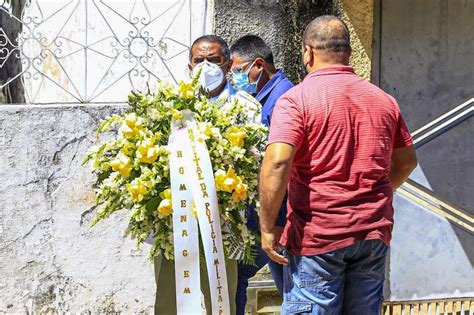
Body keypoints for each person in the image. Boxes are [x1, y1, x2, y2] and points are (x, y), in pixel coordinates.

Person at [259, 15, 417, 315]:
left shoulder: (296, 101)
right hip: (372, 235)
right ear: (348, 53)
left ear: (308, 52)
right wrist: (372, 193)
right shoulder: (384, 101)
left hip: (318, 238)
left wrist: (267, 229)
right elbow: (407, 162)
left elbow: (278, 162)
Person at [154, 34, 260, 315]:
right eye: (198, 60)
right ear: (189, 65)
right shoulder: (169, 108)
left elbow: (255, 164)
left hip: (224, 224)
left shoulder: (246, 109)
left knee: (222, 301)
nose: (205, 66)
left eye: (213, 60)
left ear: (227, 65)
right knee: (168, 301)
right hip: (175, 223)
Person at [229, 35, 293, 314]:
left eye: (238, 71)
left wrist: (275, 223)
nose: (235, 77)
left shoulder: (282, 101)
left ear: (258, 65)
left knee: (287, 288)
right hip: (267, 214)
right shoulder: (263, 98)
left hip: (277, 217)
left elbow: (282, 166)